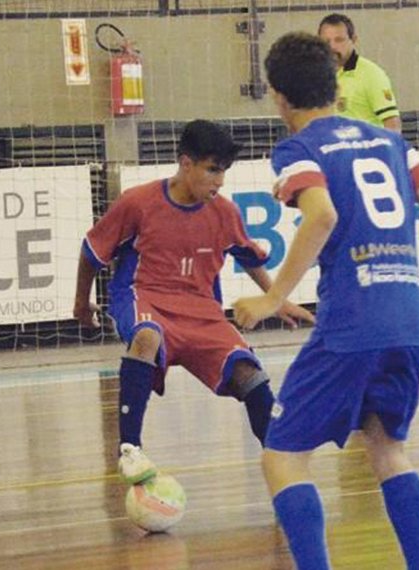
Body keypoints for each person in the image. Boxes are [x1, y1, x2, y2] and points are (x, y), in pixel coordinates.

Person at [232, 32, 419, 570]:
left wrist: (273, 297)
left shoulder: (298, 148)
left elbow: (324, 215)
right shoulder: (389, 142)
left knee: (283, 458)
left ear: (278, 96)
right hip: (409, 317)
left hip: (352, 322)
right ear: (336, 86)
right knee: (386, 449)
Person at [73, 119, 314, 484]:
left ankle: (281, 465)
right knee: (147, 337)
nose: (219, 181)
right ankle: (130, 450)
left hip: (201, 311)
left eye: (224, 172)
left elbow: (248, 258)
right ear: (186, 164)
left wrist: (275, 299)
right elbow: (92, 253)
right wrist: (80, 304)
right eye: (212, 170)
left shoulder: (224, 212)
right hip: (145, 296)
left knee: (249, 372)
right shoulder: (138, 203)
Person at [318, 13, 402, 133]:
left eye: (339, 40)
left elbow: (392, 125)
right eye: (326, 41)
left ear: (353, 40)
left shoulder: (371, 75)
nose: (332, 46)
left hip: (366, 151)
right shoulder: (315, 76)